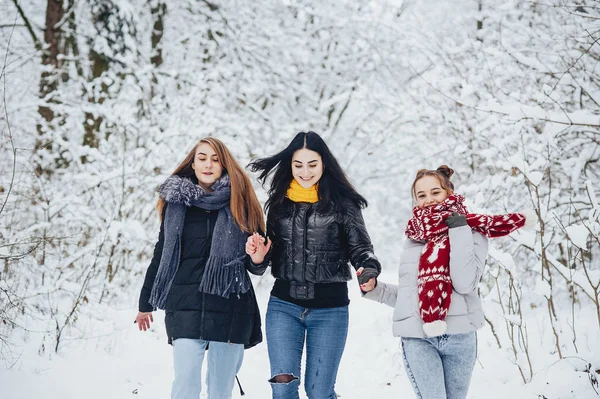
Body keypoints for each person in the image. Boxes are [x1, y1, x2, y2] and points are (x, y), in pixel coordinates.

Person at [361, 165, 532, 399]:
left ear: (449, 192)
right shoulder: (414, 240)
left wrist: (459, 228)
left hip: (460, 338)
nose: (428, 200)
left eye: (435, 192)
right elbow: (412, 296)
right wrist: (375, 290)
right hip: (418, 338)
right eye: (421, 195)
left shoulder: (474, 232)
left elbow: (464, 283)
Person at [245, 131, 381, 399]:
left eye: (312, 164)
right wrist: (258, 257)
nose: (305, 172)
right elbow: (268, 257)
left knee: (319, 392)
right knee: (282, 388)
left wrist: (368, 268)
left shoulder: (344, 203)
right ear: (290, 166)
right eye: (298, 165)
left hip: (330, 310)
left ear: (324, 164)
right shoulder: (279, 203)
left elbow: (361, 248)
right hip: (284, 306)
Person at [135, 137, 269, 399]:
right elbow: (161, 255)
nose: (208, 164)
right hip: (185, 303)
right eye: (203, 158)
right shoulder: (176, 205)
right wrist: (145, 303)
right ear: (193, 164)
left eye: (215, 159)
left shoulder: (242, 205)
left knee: (220, 390)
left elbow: (258, 266)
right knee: (185, 384)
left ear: (224, 165)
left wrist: (257, 257)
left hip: (230, 304)